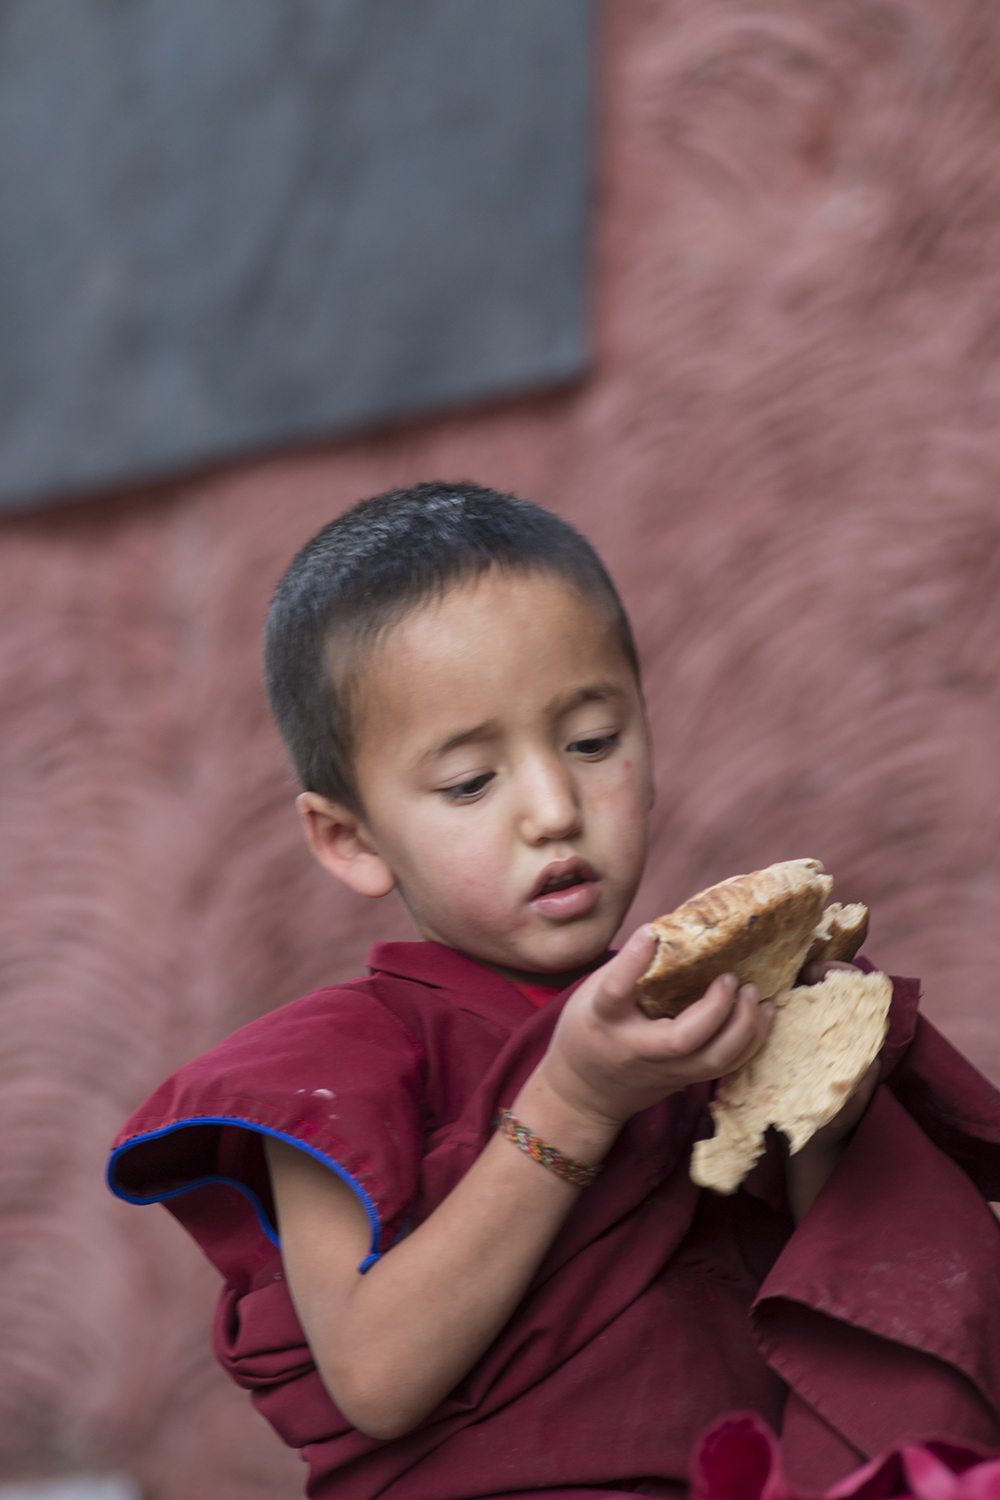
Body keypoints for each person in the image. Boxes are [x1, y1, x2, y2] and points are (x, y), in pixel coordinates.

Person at [108, 483, 1000, 1499]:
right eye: (468, 784)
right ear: (349, 838)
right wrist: (577, 1100)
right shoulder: (327, 1078)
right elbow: (377, 1378)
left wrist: (823, 1123)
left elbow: (820, 1310)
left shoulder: (709, 1009)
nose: (552, 808)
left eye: (590, 742)